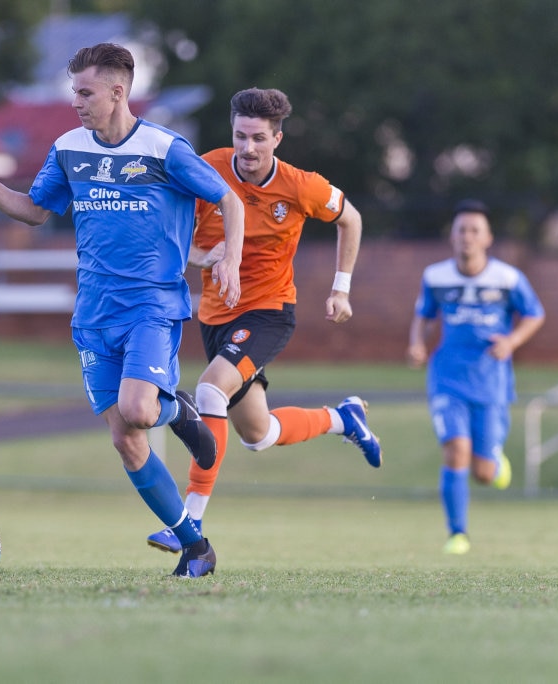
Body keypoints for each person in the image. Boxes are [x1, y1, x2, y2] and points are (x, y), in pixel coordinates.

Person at [0, 42, 246, 577]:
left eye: (85, 92)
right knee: (125, 440)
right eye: (74, 92)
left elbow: (228, 198)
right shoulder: (69, 147)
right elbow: (36, 212)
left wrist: (230, 255)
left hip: (151, 307)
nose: (76, 102)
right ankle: (195, 546)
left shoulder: (164, 149)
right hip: (92, 315)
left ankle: (177, 410)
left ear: (118, 92)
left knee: (139, 411)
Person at [144, 87, 384, 554]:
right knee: (258, 434)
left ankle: (187, 523)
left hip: (269, 310)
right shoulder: (206, 168)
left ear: (277, 138)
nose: (248, 149)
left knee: (211, 389)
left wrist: (341, 288)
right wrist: (201, 256)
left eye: (258, 138)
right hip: (216, 317)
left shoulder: (300, 185)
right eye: (240, 137)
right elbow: (170, 238)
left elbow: (350, 219)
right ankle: (344, 419)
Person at [407, 199, 544, 555]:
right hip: (447, 378)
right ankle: (458, 534)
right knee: (456, 450)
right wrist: (417, 346)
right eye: (461, 230)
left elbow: (534, 314)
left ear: (487, 238)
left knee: (483, 472)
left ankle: (495, 464)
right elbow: (423, 315)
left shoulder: (508, 278)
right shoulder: (436, 277)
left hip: (491, 381)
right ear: (452, 237)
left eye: (474, 231)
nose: (467, 237)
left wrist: (511, 341)